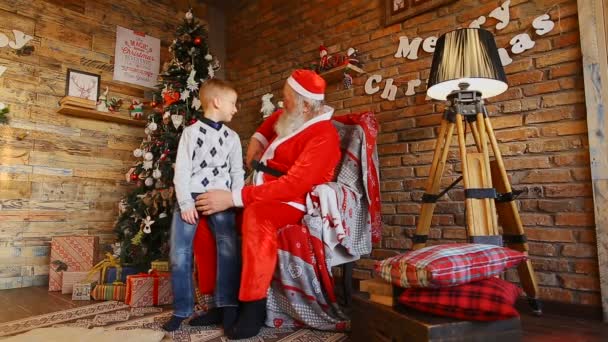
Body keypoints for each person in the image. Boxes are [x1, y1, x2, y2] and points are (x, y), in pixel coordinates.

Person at [194, 69, 341, 339]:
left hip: (291, 202)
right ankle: (218, 301)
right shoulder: (290, 116)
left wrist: (232, 198)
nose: (281, 103)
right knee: (207, 218)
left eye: (286, 99)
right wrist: (256, 143)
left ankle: (253, 307)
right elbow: (269, 123)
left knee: (257, 216)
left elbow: (293, 186)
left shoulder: (325, 136)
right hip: (258, 192)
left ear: (306, 105)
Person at [163, 79, 244, 332]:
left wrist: (234, 199)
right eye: (233, 103)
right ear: (217, 102)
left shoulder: (232, 137)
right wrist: (185, 202)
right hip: (191, 196)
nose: (236, 109)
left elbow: (237, 171)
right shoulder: (190, 133)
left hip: (222, 198)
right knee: (179, 253)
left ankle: (228, 305)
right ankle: (182, 309)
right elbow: (183, 171)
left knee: (228, 249)